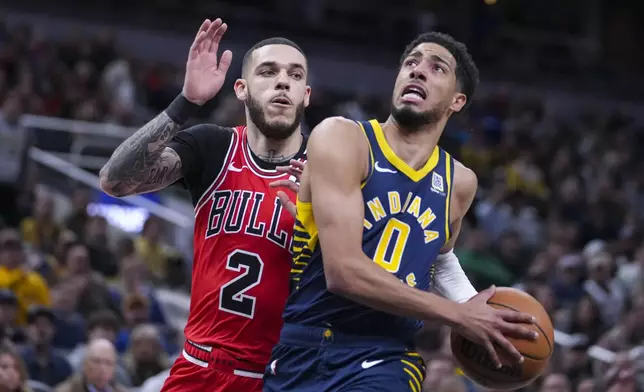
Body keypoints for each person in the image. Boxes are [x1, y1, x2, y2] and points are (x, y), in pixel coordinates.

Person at [263, 32, 537, 392]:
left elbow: (439, 258)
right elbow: (343, 273)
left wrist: (478, 308)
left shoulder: (460, 182)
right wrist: (460, 314)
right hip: (308, 344)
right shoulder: (343, 138)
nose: (417, 71)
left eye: (436, 67)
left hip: (388, 355)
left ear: (457, 100)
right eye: (411, 63)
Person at [99, 18, 309, 392]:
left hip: (281, 375)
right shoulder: (214, 146)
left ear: (306, 94)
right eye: (268, 71)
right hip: (201, 364)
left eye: (294, 75)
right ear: (241, 89)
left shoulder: (326, 166)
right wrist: (187, 103)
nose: (282, 82)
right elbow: (115, 181)